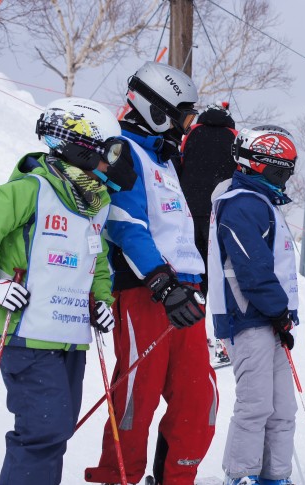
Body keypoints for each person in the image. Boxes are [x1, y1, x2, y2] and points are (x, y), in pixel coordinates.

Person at [0, 97, 136, 485]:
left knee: (57, 431)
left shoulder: (95, 205)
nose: (114, 161)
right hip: (28, 331)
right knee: (43, 430)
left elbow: (97, 266)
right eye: (109, 150)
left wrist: (103, 303)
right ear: (81, 145)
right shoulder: (30, 189)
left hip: (69, 337)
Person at [84, 61, 217, 485]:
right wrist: (163, 285)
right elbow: (125, 224)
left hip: (186, 292)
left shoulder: (164, 158)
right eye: (183, 116)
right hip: (148, 291)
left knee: (200, 398)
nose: (185, 126)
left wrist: (191, 285)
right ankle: (116, 476)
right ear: (156, 108)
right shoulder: (123, 150)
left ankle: (176, 478)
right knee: (136, 398)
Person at [207, 125, 300, 485]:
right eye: (282, 170)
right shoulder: (241, 203)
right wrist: (276, 310)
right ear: (262, 165)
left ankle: (274, 475)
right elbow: (251, 265)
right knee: (256, 403)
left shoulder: (261, 202)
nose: (286, 178)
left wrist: (282, 315)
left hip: (270, 318)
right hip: (248, 316)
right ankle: (241, 473)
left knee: (282, 406)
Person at [178, 101, 237, 296]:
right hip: (218, 207)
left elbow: (181, 160)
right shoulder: (233, 136)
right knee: (214, 258)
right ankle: (212, 295)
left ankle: (194, 293)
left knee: (193, 256)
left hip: (190, 205)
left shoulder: (192, 132)